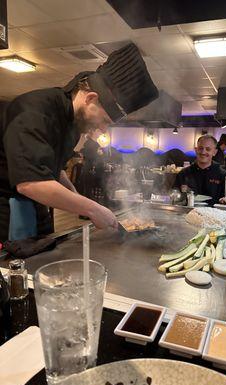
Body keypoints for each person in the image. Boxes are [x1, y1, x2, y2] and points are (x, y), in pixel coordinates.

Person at [0, 43, 159, 242]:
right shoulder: (33, 111)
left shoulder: (74, 125)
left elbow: (53, 168)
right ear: (91, 98)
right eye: (105, 121)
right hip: (7, 212)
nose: (102, 129)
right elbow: (30, 183)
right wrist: (92, 209)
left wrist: (76, 195)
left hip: (38, 208)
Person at [174, 135, 226, 204]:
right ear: (196, 150)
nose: (203, 152)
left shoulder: (224, 176)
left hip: (214, 213)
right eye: (200, 148)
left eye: (208, 149)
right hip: (187, 213)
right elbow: (175, 196)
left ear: (214, 152)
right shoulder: (183, 174)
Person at [79, 128, 105, 201]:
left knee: (93, 191)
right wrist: (98, 154)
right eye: (98, 131)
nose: (100, 133)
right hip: (89, 169)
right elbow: (88, 156)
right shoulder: (88, 143)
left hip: (95, 170)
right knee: (88, 192)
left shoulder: (96, 144)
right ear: (93, 132)